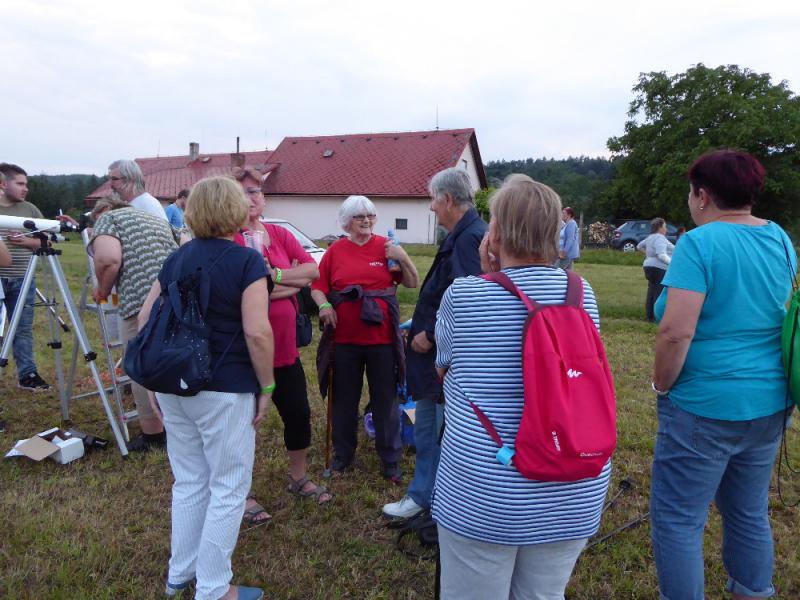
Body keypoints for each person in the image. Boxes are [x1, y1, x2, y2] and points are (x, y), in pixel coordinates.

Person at [433, 174, 609, 599]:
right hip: (573, 482)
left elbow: (443, 371)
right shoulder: (580, 292)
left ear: (495, 232)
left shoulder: (463, 295)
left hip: (486, 490)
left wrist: (487, 275)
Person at [650, 150, 795, 600]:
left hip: (704, 406)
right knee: (748, 512)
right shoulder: (779, 238)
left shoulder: (699, 243)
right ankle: (754, 591)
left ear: (702, 195)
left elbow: (676, 331)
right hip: (769, 401)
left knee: (678, 520)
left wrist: (662, 384)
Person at [139, 176, 274, 600]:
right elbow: (257, 332)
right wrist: (267, 384)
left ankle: (180, 574)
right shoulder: (247, 261)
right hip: (225, 386)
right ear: (236, 210)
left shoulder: (176, 259)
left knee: (189, 480)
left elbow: (145, 320)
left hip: (175, 384)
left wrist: (152, 384)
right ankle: (214, 588)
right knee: (229, 486)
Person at [382, 167, 486, 520]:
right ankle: (430, 496)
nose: (430, 207)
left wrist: (430, 334)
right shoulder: (466, 233)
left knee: (431, 430)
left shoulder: (469, 239)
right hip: (437, 351)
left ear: (449, 199)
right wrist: (417, 324)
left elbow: (468, 299)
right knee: (430, 426)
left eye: (433, 200)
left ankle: (425, 499)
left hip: (440, 359)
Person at [231, 167, 330, 528]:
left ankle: (298, 477)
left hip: (285, 349)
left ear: (265, 197)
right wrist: (288, 283)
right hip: (245, 352)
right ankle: (241, 493)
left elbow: (312, 273)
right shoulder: (229, 239)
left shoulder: (279, 234)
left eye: (255, 191)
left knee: (298, 414)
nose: (251, 197)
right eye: (242, 191)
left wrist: (272, 278)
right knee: (242, 426)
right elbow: (239, 291)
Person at [311, 195, 419, 481]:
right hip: (344, 339)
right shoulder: (335, 251)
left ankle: (391, 458)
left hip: (382, 339)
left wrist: (402, 256)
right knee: (344, 399)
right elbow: (318, 287)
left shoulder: (387, 247)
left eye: (370, 215)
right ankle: (343, 454)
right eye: (360, 216)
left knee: (385, 400)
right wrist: (324, 305)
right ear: (347, 222)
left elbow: (412, 283)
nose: (367, 221)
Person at [89, 194, 179, 452]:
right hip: (176, 295)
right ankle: (178, 420)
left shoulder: (108, 219)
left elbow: (109, 259)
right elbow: (184, 243)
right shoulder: (155, 219)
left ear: (106, 209)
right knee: (173, 360)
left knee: (140, 365)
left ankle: (153, 434)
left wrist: (103, 290)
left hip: (141, 300)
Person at [0, 163, 51, 391]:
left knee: (22, 328)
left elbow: (47, 240)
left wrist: (26, 241)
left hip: (23, 278)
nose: (25, 188)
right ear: (3, 184)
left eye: (26, 184)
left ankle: (27, 374)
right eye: (20, 183)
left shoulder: (29, 209)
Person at [637, 217, 674, 322]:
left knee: (651, 291)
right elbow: (661, 255)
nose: (666, 229)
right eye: (665, 226)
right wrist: (672, 264)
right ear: (660, 227)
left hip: (648, 266)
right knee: (659, 292)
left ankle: (650, 316)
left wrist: (649, 256)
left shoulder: (650, 237)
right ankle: (656, 317)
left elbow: (639, 246)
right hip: (659, 268)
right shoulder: (660, 238)